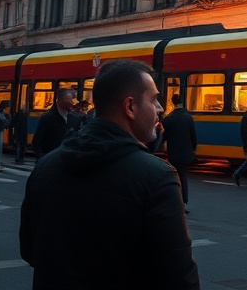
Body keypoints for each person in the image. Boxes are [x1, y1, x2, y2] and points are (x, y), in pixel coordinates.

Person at [19, 59, 199, 289]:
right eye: (154, 99)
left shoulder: (45, 166)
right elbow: (180, 278)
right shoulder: (158, 177)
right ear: (130, 107)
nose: (161, 109)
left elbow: (30, 251)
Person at [161, 93, 197, 212]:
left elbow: (164, 136)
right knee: (182, 176)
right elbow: (194, 137)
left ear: (172, 103)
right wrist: (192, 149)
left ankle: (175, 201)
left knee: (175, 176)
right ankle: (183, 202)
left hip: (174, 153)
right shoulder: (188, 118)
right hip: (187, 153)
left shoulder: (168, 119)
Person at [32, 88, 79, 158]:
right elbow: (37, 142)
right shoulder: (47, 118)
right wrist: (43, 158)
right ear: (59, 100)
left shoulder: (75, 118)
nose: (72, 102)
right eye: (68, 99)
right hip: (51, 160)